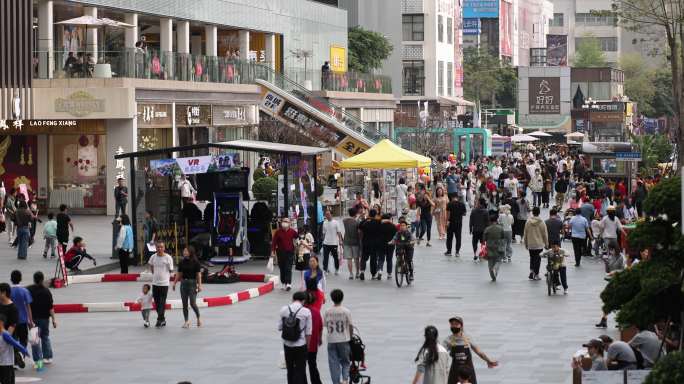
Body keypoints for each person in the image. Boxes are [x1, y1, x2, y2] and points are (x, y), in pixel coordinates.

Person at [443, 316, 497, 384]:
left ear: (461, 326)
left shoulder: (467, 338)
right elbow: (441, 353)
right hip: (455, 371)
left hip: (468, 371)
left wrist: (488, 360)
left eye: (456, 324)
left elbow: (478, 351)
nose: (454, 326)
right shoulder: (448, 340)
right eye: (452, 324)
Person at [278, 291, 312, 384]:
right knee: (300, 370)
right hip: (300, 345)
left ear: (292, 299)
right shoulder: (306, 311)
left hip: (287, 344)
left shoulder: (284, 309)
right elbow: (308, 332)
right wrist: (307, 347)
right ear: (303, 301)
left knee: (290, 370)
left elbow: (279, 327)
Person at [26, 272, 56, 365]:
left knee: (34, 339)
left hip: (32, 318)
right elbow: (50, 307)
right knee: (45, 337)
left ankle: (37, 359)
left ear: (34, 279)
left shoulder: (29, 290)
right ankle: (47, 357)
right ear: (42, 279)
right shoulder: (47, 291)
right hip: (44, 318)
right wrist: (54, 320)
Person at [324, 289, 352, 384]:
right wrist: (351, 337)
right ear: (342, 298)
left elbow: (325, 325)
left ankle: (336, 382)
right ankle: (345, 380)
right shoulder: (346, 311)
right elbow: (351, 325)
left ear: (332, 299)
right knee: (345, 361)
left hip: (331, 340)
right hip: (343, 339)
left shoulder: (328, 311)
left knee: (333, 363)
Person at [173, 246, 202, 328]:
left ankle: (198, 317)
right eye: (184, 251)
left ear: (190, 252)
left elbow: (198, 275)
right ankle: (186, 321)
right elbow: (179, 274)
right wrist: (174, 283)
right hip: (183, 284)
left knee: (192, 303)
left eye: (186, 251)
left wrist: (199, 285)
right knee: (184, 304)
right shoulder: (181, 262)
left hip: (192, 284)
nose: (184, 252)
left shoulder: (196, 262)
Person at [9, 271, 32, 369]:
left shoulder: (8, 291)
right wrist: (30, 320)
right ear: (21, 278)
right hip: (23, 320)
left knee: (13, 340)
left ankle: (14, 361)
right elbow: (28, 307)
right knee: (23, 340)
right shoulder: (24, 291)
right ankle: (21, 355)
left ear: (11, 279)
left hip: (11, 321)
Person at [148, 241, 174, 328]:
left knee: (162, 303)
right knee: (157, 303)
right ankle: (162, 319)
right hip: (155, 283)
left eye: (161, 247)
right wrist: (154, 274)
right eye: (158, 247)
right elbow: (151, 266)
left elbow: (171, 270)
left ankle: (159, 320)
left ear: (164, 248)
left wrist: (167, 277)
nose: (159, 249)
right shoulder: (153, 257)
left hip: (164, 284)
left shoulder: (168, 258)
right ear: (156, 248)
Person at [272, 218, 299, 290]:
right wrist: (273, 252)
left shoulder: (292, 231)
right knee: (282, 268)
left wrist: (297, 245)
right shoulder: (278, 232)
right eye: (284, 221)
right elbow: (274, 242)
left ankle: (288, 284)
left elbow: (297, 237)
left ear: (289, 223)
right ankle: (284, 282)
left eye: (287, 221)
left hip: (290, 252)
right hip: (280, 252)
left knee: (288, 268)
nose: (285, 222)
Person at [1, 313, 28, 384]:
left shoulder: (5, 334)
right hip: (4, 363)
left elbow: (15, 343)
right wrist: (24, 350)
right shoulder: (4, 334)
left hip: (5, 363)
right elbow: (16, 344)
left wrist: (23, 350)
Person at [523, 206, 548, 281]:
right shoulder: (542, 222)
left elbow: (525, 233)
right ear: (539, 212)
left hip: (531, 243)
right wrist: (546, 243)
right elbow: (545, 234)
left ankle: (531, 271)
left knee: (532, 258)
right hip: (539, 244)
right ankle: (536, 274)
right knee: (538, 259)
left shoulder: (528, 222)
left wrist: (526, 243)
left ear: (532, 212)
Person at [304, 290, 323, 384]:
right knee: (312, 365)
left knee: (301, 366)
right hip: (312, 344)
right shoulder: (316, 312)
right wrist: (320, 339)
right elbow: (320, 326)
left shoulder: (301, 311)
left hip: (301, 344)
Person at [358, 209, 382, 281]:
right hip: (375, 243)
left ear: (369, 214)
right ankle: (373, 274)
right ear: (375, 215)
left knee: (364, 258)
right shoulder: (378, 222)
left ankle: (362, 271)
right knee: (373, 259)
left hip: (365, 242)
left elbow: (359, 229)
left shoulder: (364, 222)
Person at [483, 211, 505, 282]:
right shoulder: (500, 228)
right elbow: (502, 237)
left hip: (489, 247)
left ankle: (493, 277)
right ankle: (495, 268)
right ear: (496, 220)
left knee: (490, 263)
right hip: (498, 246)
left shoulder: (487, 229)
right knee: (498, 261)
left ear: (490, 221)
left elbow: (484, 239)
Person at [321, 210, 343, 275]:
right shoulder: (324, 223)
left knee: (335, 257)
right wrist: (323, 241)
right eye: (326, 214)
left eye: (328, 214)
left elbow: (339, 232)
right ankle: (325, 269)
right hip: (326, 243)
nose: (327, 216)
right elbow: (324, 233)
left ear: (331, 215)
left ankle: (336, 269)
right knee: (325, 257)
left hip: (334, 243)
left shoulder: (336, 222)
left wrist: (340, 240)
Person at [342, 208, 361, 280]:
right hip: (355, 242)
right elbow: (359, 232)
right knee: (356, 258)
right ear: (355, 214)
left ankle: (351, 274)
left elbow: (345, 219)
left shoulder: (345, 221)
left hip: (347, 242)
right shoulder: (357, 222)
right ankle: (357, 273)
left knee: (349, 259)